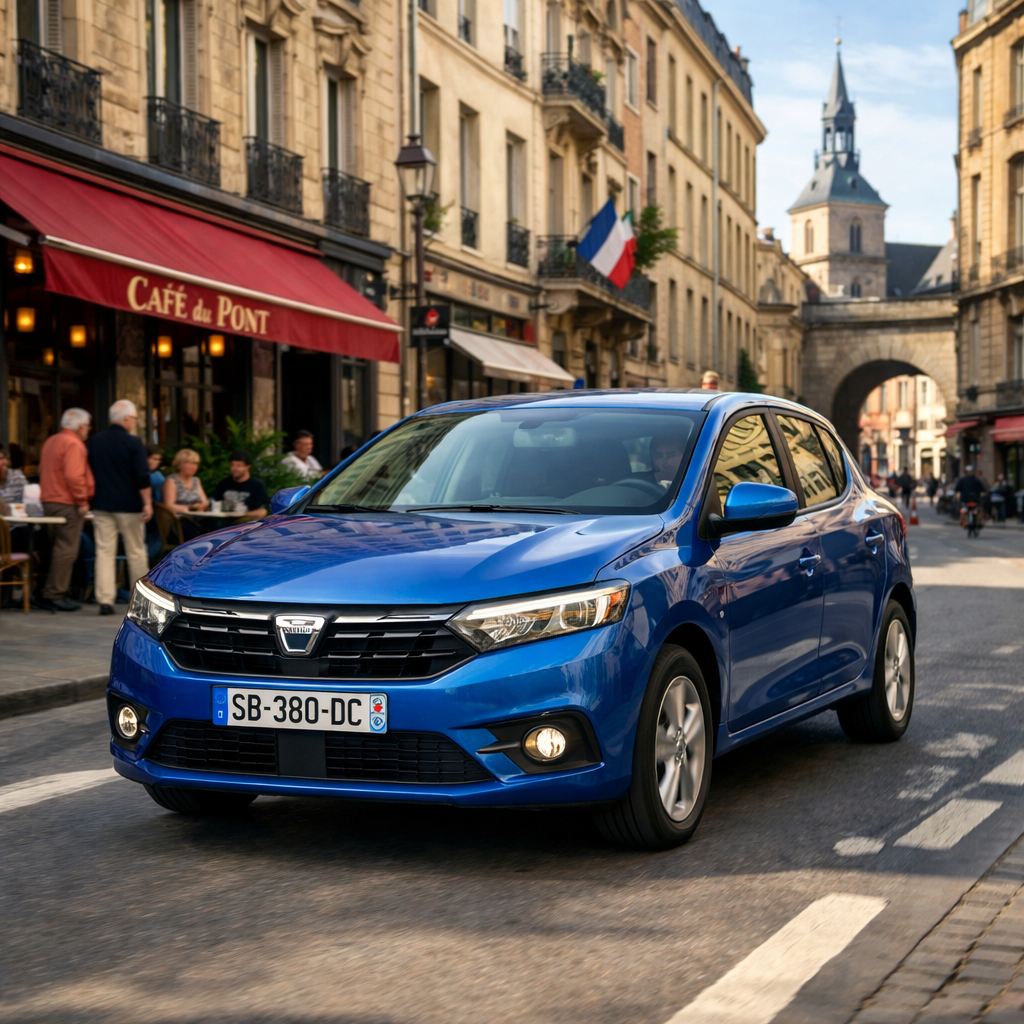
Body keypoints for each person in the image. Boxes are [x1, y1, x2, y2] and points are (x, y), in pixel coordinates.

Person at [88, 400, 152, 616]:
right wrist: (148, 502)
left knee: (104, 552)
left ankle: (105, 600)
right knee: (135, 551)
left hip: (101, 503)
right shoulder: (133, 442)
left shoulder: (95, 441)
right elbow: (142, 474)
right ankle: (140, 601)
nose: (133, 423)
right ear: (126, 419)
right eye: (133, 419)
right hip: (129, 505)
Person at [38, 408, 95, 611]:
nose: (88, 430)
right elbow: (73, 475)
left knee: (56, 547)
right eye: (88, 426)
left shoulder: (51, 441)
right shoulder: (73, 443)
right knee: (66, 550)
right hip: (67, 502)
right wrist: (81, 501)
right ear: (80, 426)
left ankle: (49, 591)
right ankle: (54, 593)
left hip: (49, 500)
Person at [211, 451, 269, 520]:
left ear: (248, 466)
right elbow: (214, 501)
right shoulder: (224, 483)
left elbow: (263, 510)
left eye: (239, 465)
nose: (234, 468)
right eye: (232, 465)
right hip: (224, 523)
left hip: (246, 523)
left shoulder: (257, 485)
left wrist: (243, 516)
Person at [162, 449, 209, 515]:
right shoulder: (171, 481)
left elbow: (205, 502)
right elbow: (169, 505)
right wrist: (190, 508)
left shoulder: (196, 480)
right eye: (190, 463)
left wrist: (202, 506)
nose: (194, 466)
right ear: (180, 464)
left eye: (196, 463)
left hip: (199, 517)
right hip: (180, 518)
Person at [145, 445, 166, 562]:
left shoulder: (157, 475)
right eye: (153, 458)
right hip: (151, 516)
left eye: (158, 459)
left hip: (157, 515)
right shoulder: (156, 476)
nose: (156, 462)